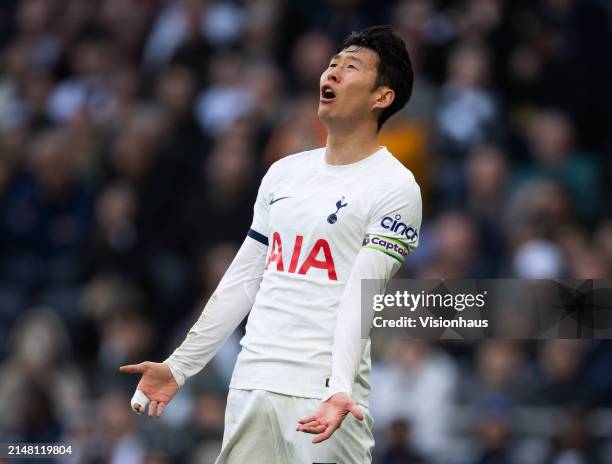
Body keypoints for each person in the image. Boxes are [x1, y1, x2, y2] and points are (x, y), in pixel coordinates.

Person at [120, 25, 421, 463]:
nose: (332, 72)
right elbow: (244, 279)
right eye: (332, 63)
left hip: (324, 399)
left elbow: (363, 295)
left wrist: (339, 386)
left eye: (350, 66)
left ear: (382, 97)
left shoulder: (395, 187)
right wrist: (181, 365)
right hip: (252, 385)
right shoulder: (283, 173)